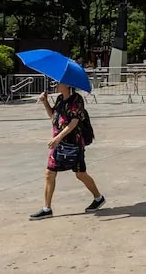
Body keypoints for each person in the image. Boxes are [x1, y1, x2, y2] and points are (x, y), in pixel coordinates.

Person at [30, 83, 105, 220]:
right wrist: (45, 102)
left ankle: (98, 198)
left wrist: (58, 138)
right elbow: (54, 118)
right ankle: (47, 208)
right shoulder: (60, 99)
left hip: (74, 144)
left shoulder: (77, 99)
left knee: (80, 174)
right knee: (49, 173)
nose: (56, 84)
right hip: (58, 144)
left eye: (59, 83)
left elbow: (74, 122)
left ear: (68, 85)